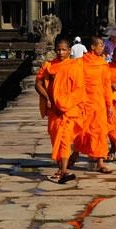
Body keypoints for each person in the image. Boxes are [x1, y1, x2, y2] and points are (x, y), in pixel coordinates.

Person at [35, 38, 85, 184]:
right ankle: (61, 168)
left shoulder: (75, 66)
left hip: (68, 109)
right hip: (53, 109)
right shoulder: (49, 66)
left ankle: (64, 171)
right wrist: (48, 99)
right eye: (58, 49)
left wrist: (66, 104)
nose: (61, 52)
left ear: (70, 51)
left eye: (64, 50)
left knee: (64, 139)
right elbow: (38, 84)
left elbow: (79, 88)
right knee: (55, 138)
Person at [75, 36, 114, 174]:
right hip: (84, 102)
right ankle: (75, 153)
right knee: (81, 130)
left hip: (99, 103)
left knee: (100, 132)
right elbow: (74, 80)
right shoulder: (81, 62)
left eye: (103, 45)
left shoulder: (103, 64)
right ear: (92, 47)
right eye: (100, 45)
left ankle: (100, 162)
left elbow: (106, 85)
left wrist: (109, 105)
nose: (102, 47)